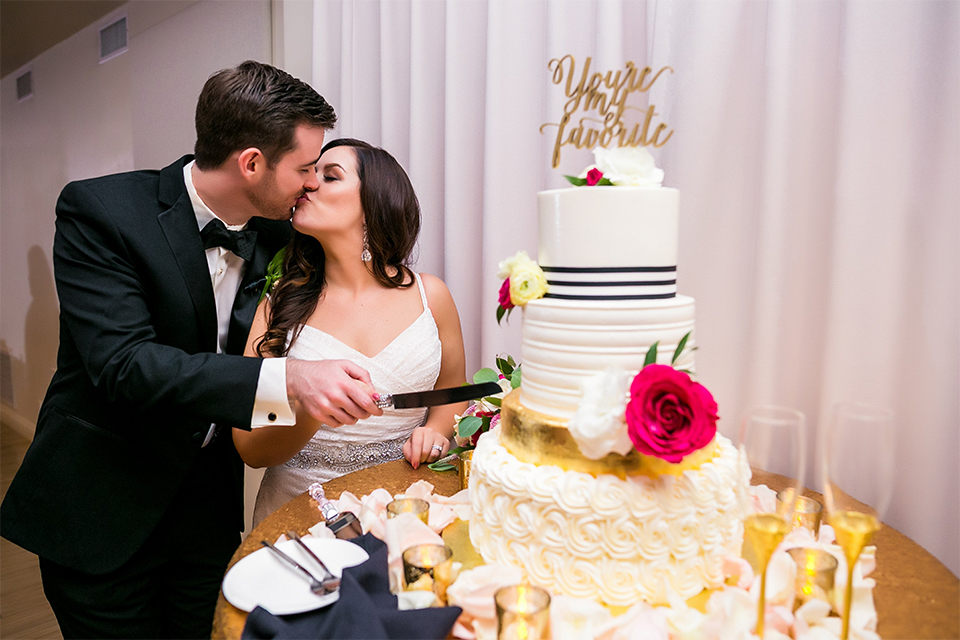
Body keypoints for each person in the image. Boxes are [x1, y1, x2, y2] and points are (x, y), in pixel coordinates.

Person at [0, 62, 383, 639]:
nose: (311, 183)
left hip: (207, 513)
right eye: (305, 168)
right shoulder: (100, 212)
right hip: (104, 508)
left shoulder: (280, 230)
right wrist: (290, 380)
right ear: (251, 163)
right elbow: (124, 365)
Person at [232, 138, 467, 525]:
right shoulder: (278, 306)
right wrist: (310, 411)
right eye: (309, 173)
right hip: (299, 513)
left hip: (403, 505)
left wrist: (437, 432)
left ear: (373, 203)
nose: (308, 183)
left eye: (330, 175)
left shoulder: (431, 296)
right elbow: (251, 449)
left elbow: (452, 392)